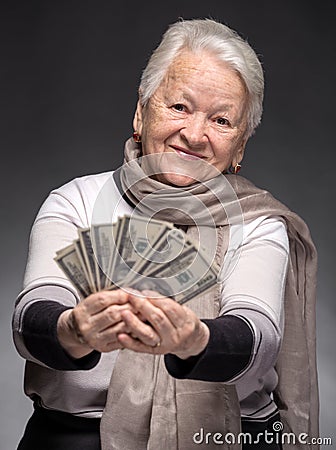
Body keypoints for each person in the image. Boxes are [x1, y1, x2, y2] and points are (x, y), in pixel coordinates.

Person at [12, 18, 319, 450]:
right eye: (179, 107)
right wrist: (77, 328)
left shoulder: (259, 222)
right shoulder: (77, 201)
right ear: (141, 111)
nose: (194, 135)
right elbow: (30, 320)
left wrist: (193, 339)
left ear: (240, 147)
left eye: (222, 120)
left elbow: (258, 337)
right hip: (77, 437)